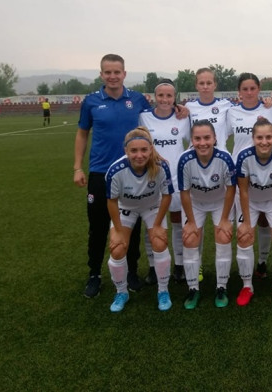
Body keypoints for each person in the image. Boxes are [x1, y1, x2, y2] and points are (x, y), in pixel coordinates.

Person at [73, 54, 152, 298]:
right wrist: (77, 167)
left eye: (117, 72)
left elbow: (157, 120)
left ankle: (131, 273)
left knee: (132, 225)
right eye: (108, 72)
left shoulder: (137, 99)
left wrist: (179, 110)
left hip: (132, 172)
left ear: (124, 74)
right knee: (97, 226)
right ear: (101, 74)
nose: (112, 76)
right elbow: (82, 133)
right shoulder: (91, 101)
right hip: (100, 172)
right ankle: (94, 274)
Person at [106, 127, 174, 312]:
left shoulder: (161, 166)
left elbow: (166, 196)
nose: (139, 155)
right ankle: (121, 292)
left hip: (152, 207)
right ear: (126, 151)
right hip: (126, 208)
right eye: (134, 150)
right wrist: (118, 231)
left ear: (151, 149)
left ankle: (163, 290)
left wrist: (158, 224)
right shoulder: (115, 170)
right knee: (118, 248)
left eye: (144, 150)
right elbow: (112, 201)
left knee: (159, 242)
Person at [226, 73, 272, 280]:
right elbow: (222, 137)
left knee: (264, 220)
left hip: (265, 171)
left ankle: (262, 261)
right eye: (245, 89)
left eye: (252, 88)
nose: (249, 92)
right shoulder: (232, 112)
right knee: (242, 220)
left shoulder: (269, 109)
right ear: (239, 92)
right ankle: (242, 267)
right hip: (239, 172)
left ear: (259, 89)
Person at [177, 120, 236, 309]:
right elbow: (184, 192)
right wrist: (191, 222)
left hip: (220, 202)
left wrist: (225, 219)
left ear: (215, 138)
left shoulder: (225, 158)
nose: (202, 143)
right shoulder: (185, 159)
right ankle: (193, 288)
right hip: (195, 203)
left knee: (223, 236)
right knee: (190, 239)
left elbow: (231, 189)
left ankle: (221, 286)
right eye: (197, 138)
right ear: (192, 140)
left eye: (207, 138)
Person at [138, 79, 191, 284]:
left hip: (176, 179)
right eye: (161, 95)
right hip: (151, 179)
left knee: (177, 221)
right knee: (152, 224)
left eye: (169, 96)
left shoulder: (182, 118)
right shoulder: (144, 117)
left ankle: (179, 265)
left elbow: (191, 143)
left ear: (174, 98)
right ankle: (153, 267)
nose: (165, 99)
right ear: (154, 97)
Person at [236, 118, 272, 305]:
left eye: (268, 137)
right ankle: (247, 286)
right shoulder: (244, 156)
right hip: (250, 201)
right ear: (253, 138)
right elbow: (243, 190)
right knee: (244, 237)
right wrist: (246, 223)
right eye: (259, 137)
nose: (264, 142)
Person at [185, 68, 233, 151]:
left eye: (209, 83)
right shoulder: (188, 107)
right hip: (196, 155)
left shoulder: (226, 105)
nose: (205, 87)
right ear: (196, 85)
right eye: (201, 83)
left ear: (215, 85)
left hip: (220, 155)